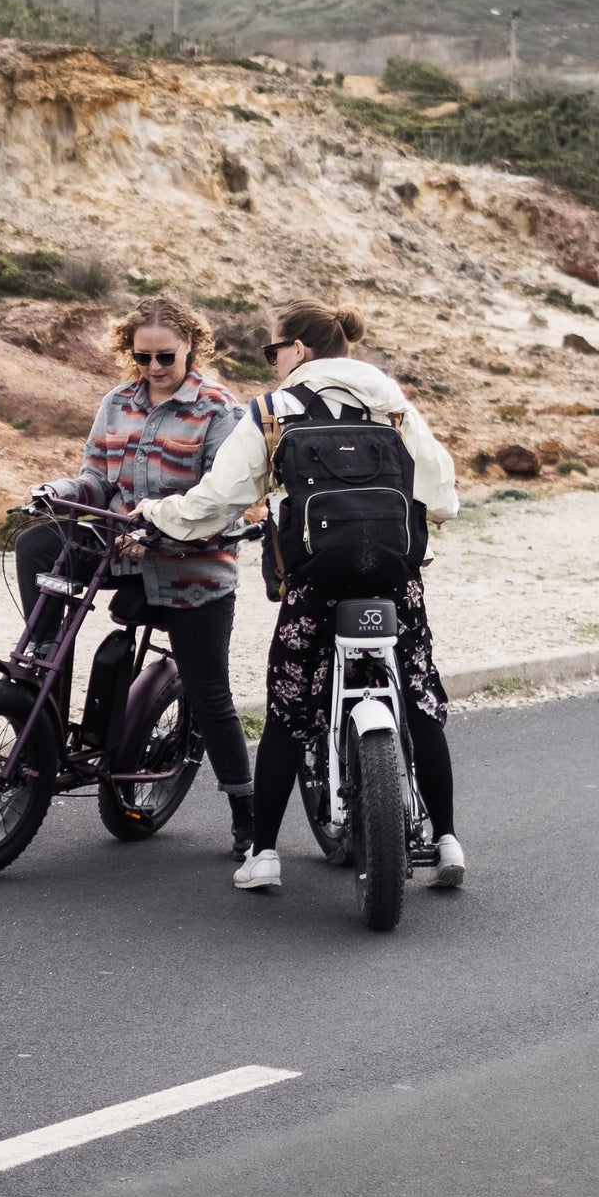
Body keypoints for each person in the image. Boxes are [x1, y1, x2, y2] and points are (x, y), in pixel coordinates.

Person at [136, 299, 466, 891]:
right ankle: (446, 841)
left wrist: (158, 514)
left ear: (299, 351)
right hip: (393, 576)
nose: (274, 362)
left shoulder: (272, 411)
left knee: (288, 708)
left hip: (314, 582)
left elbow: (219, 499)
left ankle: (263, 853)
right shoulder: (390, 400)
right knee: (418, 695)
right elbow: (441, 494)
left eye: (273, 351)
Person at [21, 295, 254, 855]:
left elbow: (221, 502)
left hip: (191, 567)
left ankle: (247, 816)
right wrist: (59, 492)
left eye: (165, 358)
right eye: (142, 356)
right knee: (35, 546)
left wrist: (159, 526)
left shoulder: (220, 411)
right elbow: (96, 481)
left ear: (190, 347)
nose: (153, 368)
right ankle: (44, 672)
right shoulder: (116, 403)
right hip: (119, 552)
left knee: (209, 691)